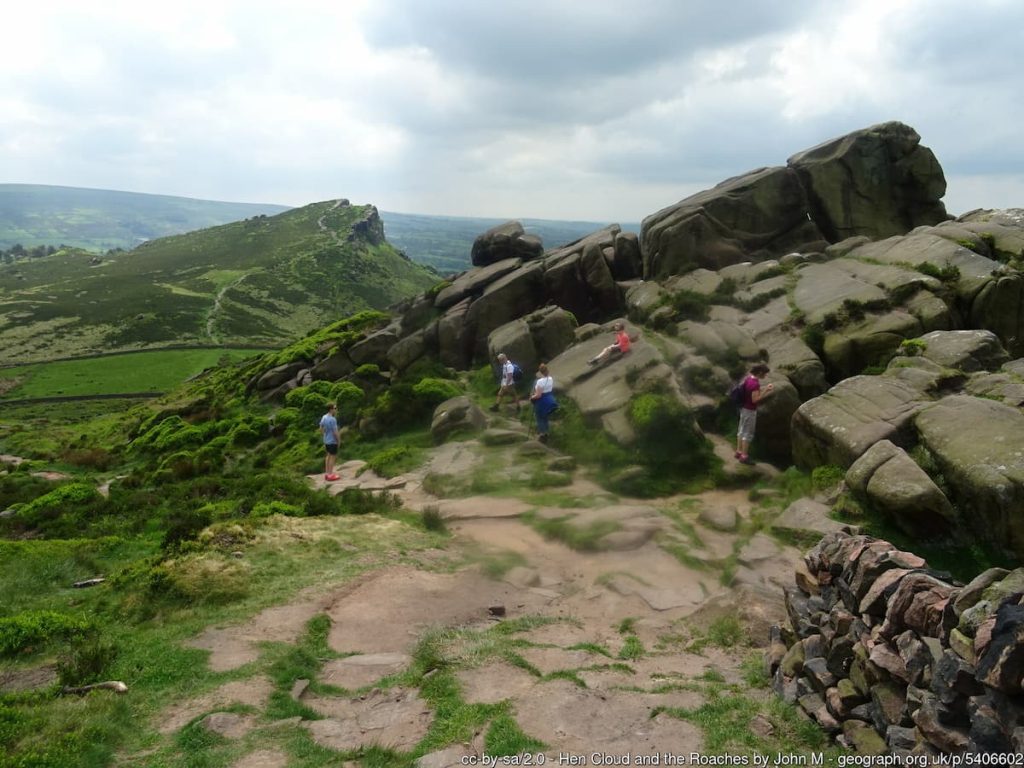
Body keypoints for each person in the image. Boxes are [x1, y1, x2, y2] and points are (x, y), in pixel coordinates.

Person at [735, 363, 773, 465]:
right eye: (764, 374)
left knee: (741, 430)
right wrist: (766, 390)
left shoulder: (748, 379)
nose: (765, 376)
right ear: (760, 372)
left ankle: (738, 452)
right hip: (750, 411)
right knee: (748, 433)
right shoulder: (755, 384)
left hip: (743, 409)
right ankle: (744, 456)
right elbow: (755, 400)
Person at [530, 363, 558, 443]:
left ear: (540, 372)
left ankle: (542, 434)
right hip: (550, 399)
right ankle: (546, 433)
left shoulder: (539, 382)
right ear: (547, 370)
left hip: (541, 401)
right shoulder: (550, 379)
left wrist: (532, 397)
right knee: (545, 417)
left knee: (539, 417)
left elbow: (538, 395)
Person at [319, 403, 341, 481]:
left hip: (326, 441)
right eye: (335, 408)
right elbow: (335, 432)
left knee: (328, 456)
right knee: (332, 457)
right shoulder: (332, 419)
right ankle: (331, 474)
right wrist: (338, 440)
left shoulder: (324, 417)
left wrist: (324, 435)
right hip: (332, 441)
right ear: (331, 409)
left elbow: (321, 428)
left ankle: (327, 473)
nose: (336, 409)